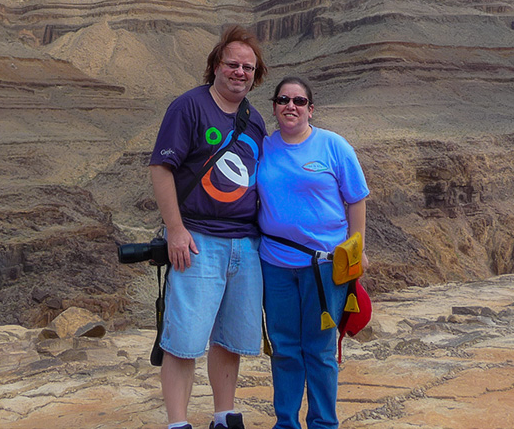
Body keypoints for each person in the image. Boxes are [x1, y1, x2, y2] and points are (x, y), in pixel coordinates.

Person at [149, 25, 269, 429]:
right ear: (216, 66)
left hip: (245, 244)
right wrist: (176, 230)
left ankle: (223, 414)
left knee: (230, 339)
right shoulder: (189, 107)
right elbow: (161, 169)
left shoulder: (254, 121)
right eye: (232, 64)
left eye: (248, 67)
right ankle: (178, 423)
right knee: (183, 341)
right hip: (198, 240)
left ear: (256, 74)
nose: (240, 72)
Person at [257, 77, 370, 429]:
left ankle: (323, 423)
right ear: (274, 106)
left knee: (320, 349)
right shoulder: (263, 147)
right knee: (285, 347)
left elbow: (356, 199)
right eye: (283, 99)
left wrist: (356, 249)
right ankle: (286, 422)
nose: (291, 106)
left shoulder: (333, 146)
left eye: (299, 101)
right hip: (275, 263)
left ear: (311, 108)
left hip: (323, 267)